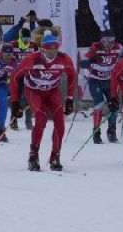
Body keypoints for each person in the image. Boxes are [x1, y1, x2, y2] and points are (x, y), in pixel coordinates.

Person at [11, 33, 77, 171]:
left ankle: (55, 157)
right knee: (41, 119)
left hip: (52, 91)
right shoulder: (33, 59)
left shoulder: (63, 59)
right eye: (49, 49)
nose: (53, 52)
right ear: (42, 49)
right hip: (34, 91)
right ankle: (33, 156)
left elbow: (72, 76)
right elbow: (15, 77)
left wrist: (70, 99)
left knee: (60, 123)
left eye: (55, 49)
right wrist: (15, 102)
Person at [81, 30, 123, 144]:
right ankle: (96, 132)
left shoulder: (119, 47)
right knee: (99, 104)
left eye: (111, 42)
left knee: (113, 105)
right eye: (105, 41)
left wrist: (122, 64)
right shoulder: (95, 47)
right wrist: (90, 61)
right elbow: (83, 62)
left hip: (110, 81)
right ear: (101, 40)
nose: (108, 44)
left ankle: (112, 131)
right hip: (95, 80)